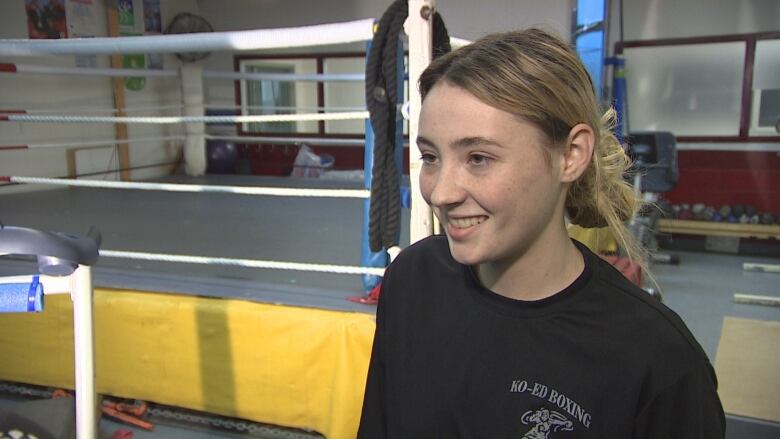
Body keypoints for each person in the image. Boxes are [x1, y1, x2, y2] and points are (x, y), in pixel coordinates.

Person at [357, 28, 725, 438]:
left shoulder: (660, 363)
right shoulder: (413, 280)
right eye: (430, 157)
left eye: (478, 158)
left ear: (571, 155)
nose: (440, 193)